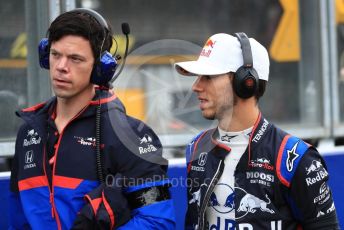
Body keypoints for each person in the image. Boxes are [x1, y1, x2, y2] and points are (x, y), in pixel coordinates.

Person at [9, 8, 175, 229]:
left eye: (75, 59)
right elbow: (17, 219)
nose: (61, 67)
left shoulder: (132, 137)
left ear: (100, 69)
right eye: (55, 54)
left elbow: (158, 221)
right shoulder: (29, 132)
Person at [174, 33, 340, 229]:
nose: (196, 86)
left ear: (245, 82)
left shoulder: (294, 158)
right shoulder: (196, 148)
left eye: (208, 77)